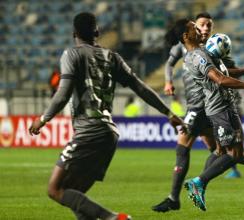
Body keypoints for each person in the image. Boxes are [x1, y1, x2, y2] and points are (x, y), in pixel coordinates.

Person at [28, 12, 186, 220]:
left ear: (74, 33)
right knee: (77, 197)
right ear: (97, 32)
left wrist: (42, 119)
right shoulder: (113, 57)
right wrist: (168, 113)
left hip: (88, 132)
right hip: (109, 134)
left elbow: (63, 93)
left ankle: (114, 218)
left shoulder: (71, 55)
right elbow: (141, 88)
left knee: (55, 189)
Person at [152, 13, 244, 213]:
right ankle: (195, 185)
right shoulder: (196, 54)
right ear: (187, 35)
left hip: (208, 107)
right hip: (206, 107)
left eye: (207, 26)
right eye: (198, 27)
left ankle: (188, 190)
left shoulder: (207, 51)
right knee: (221, 151)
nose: (202, 29)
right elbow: (220, 78)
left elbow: (224, 72)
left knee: (219, 151)